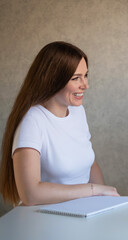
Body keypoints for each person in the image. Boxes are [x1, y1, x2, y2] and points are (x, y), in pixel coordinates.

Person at [0, 41, 119, 206]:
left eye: (85, 75)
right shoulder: (32, 121)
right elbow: (30, 194)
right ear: (53, 79)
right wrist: (93, 190)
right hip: (41, 218)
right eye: (76, 78)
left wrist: (105, 201)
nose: (85, 85)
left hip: (79, 211)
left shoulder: (78, 111)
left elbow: (91, 164)